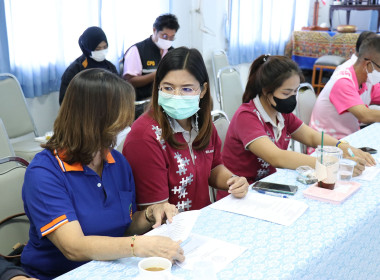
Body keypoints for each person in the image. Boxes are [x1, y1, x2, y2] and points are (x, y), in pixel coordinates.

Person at [22, 69, 184, 280]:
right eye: (121, 119)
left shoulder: (116, 162)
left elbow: (124, 226)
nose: (127, 125)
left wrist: (150, 214)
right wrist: (139, 245)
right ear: (94, 120)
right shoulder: (45, 173)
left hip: (111, 268)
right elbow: (74, 247)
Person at [219, 55, 375, 199]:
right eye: (286, 93)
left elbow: (312, 137)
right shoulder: (247, 117)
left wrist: (344, 147)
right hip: (239, 194)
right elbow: (277, 157)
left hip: (268, 187)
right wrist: (331, 165)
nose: (292, 99)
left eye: (295, 92)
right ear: (266, 91)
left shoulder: (280, 113)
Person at [122, 47, 249, 211]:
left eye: (186, 89)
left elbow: (214, 167)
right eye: (168, 88)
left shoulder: (201, 122)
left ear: (202, 91)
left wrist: (233, 181)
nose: (176, 95)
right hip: (166, 229)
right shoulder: (145, 136)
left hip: (200, 219)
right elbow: (155, 209)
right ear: (158, 88)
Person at [310, 36, 380, 139]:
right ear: (368, 64)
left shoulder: (364, 81)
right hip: (327, 147)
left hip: (347, 139)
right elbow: (364, 115)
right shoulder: (343, 81)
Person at [122, 13, 180, 119]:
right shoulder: (137, 50)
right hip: (143, 103)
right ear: (154, 30)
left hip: (168, 100)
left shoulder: (173, 52)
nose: (168, 41)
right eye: (165, 36)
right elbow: (130, 82)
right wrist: (157, 73)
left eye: (171, 38)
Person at [59, 26, 118, 105]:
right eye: (97, 49)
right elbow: (65, 102)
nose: (102, 51)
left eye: (105, 47)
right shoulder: (75, 70)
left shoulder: (110, 67)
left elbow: (119, 91)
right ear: (87, 48)